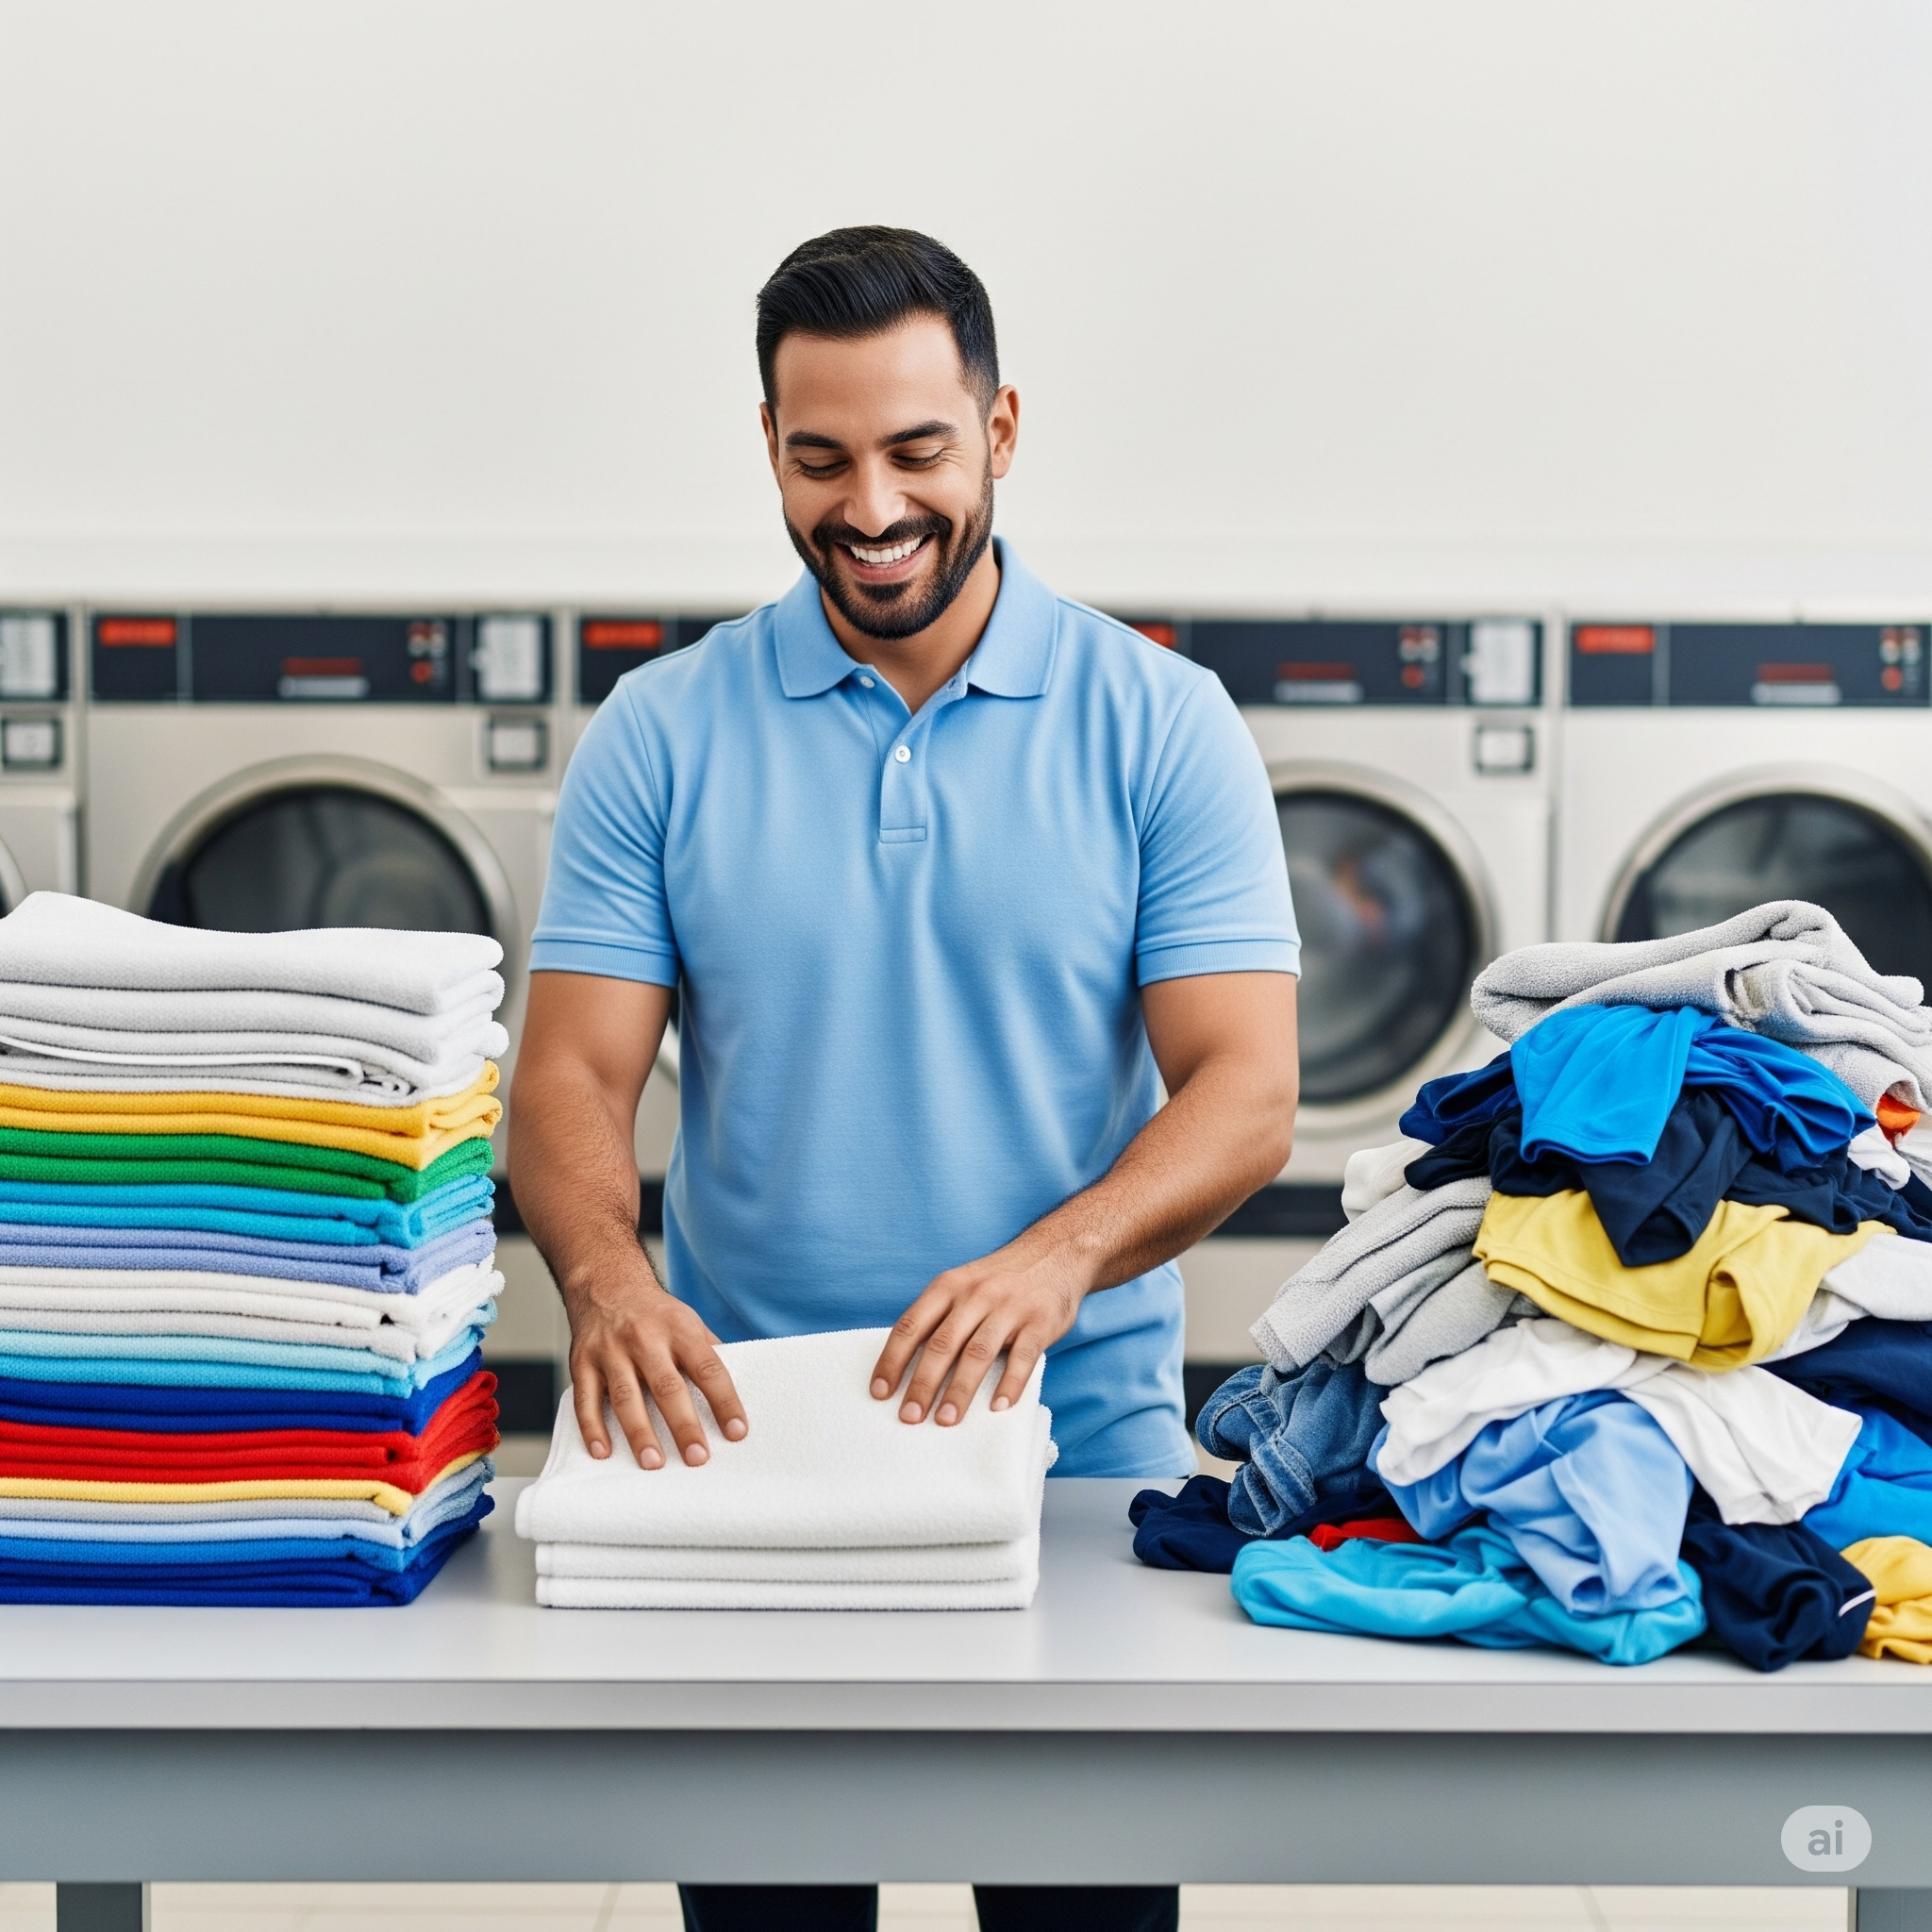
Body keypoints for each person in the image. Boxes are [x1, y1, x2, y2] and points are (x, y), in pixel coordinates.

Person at [510, 225, 1301, 1932]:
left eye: (917, 450)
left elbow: (1246, 1089)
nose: (870, 506)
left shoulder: (1163, 723)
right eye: (822, 459)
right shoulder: (662, 729)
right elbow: (568, 1072)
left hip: (1073, 1456)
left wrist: (1056, 1260)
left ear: (1001, 430)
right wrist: (607, 1281)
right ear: (770, 449)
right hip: (746, 1450)